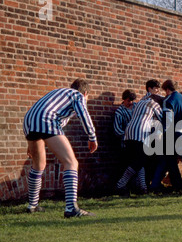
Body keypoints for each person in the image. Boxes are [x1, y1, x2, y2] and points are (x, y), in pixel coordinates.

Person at [23, 78, 98, 218]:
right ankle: (71, 208)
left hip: (29, 121)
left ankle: (32, 205)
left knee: (38, 164)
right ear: (86, 93)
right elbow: (84, 115)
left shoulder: (58, 93)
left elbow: (42, 112)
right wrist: (92, 137)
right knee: (71, 162)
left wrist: (30, 141)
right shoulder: (77, 96)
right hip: (47, 120)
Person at [149, 80, 182, 193]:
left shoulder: (169, 100)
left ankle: (177, 186)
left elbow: (168, 120)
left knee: (169, 160)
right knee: (173, 160)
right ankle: (179, 185)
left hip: (174, 133)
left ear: (167, 89)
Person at [116, 93, 163, 194]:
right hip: (140, 134)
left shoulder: (139, 103)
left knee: (137, 161)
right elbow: (162, 118)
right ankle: (120, 184)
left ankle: (142, 187)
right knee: (140, 160)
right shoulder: (154, 104)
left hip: (129, 132)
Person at [113, 89, 137, 177]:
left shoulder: (136, 107)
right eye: (128, 100)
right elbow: (117, 129)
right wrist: (128, 134)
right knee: (126, 164)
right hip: (126, 142)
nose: (130, 102)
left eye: (132, 100)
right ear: (124, 99)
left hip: (138, 140)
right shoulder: (119, 112)